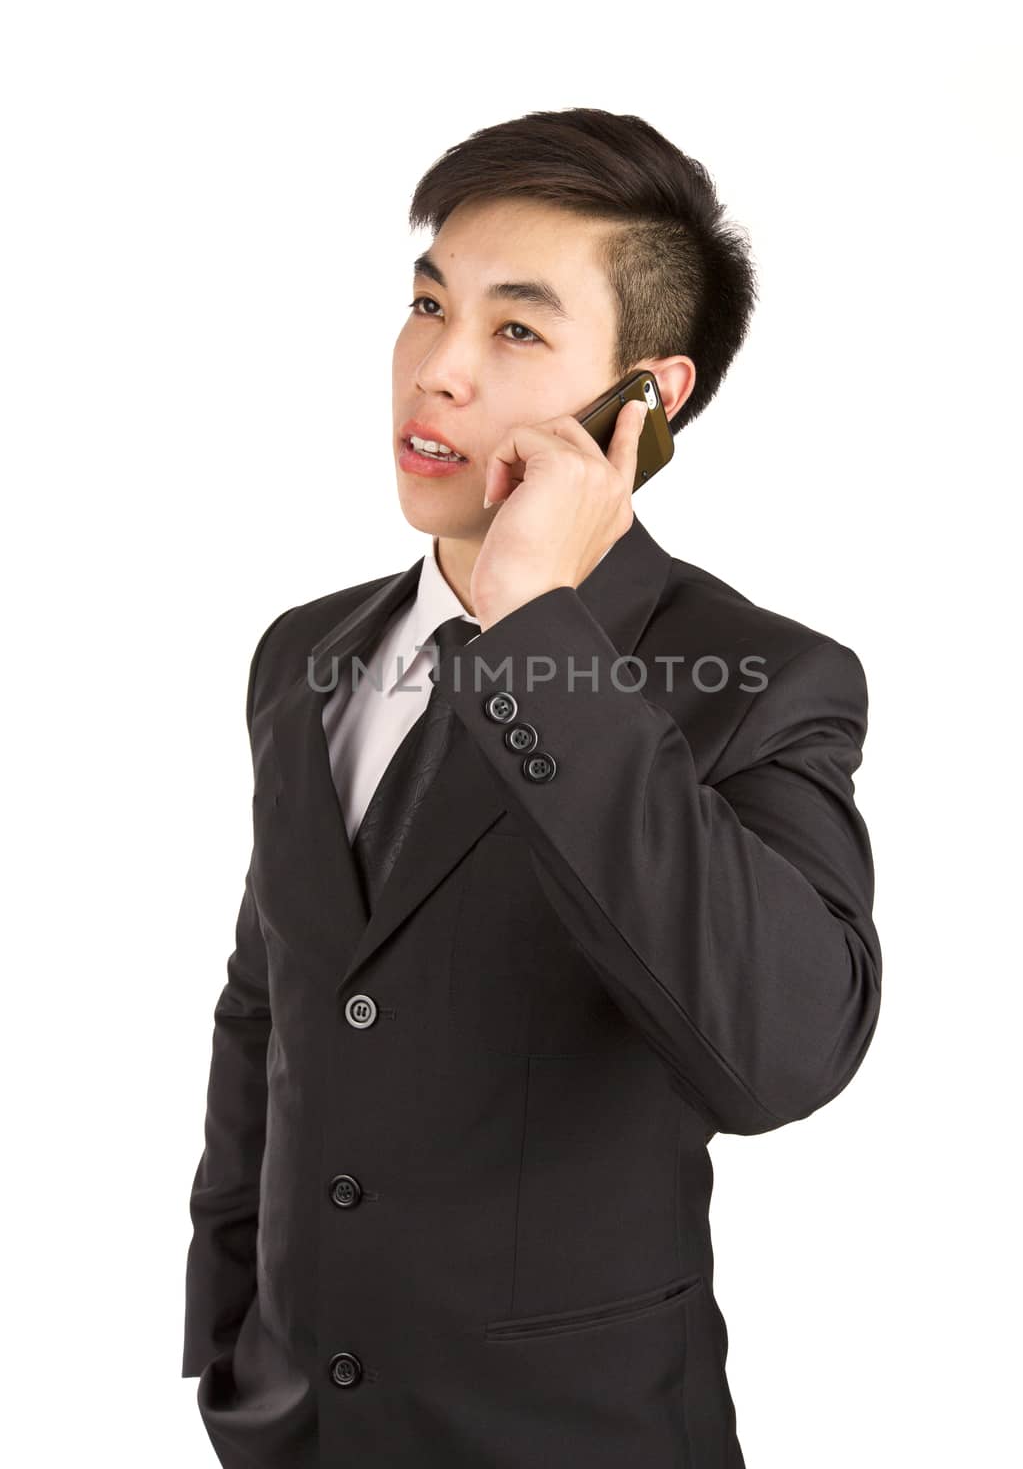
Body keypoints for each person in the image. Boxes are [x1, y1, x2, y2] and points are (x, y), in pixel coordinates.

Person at [181, 107, 881, 1469]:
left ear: (646, 397)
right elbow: (273, 1008)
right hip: (299, 1435)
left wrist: (538, 633)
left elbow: (781, 1054)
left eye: (515, 330)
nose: (436, 369)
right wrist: (229, 1345)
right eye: (427, 303)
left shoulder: (761, 679)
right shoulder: (303, 654)